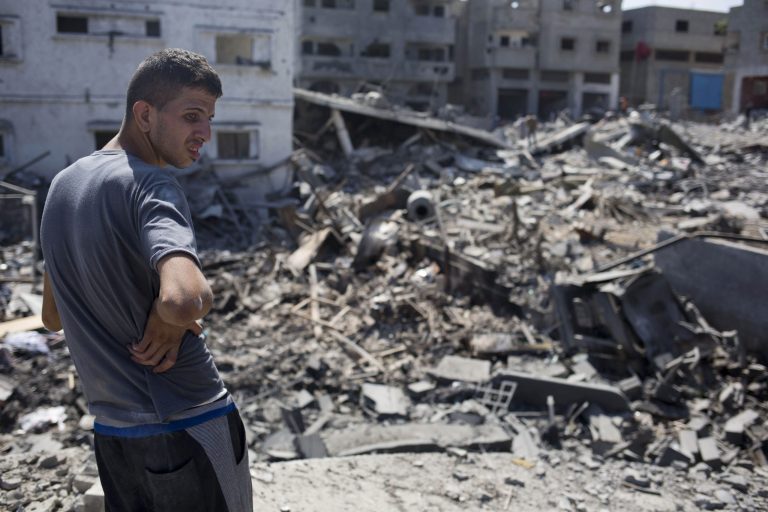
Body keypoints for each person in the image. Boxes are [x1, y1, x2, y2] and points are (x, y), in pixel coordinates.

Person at [40, 48, 252, 512]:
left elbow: (53, 316)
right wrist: (170, 317)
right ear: (145, 114)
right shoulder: (151, 184)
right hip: (189, 422)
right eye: (192, 116)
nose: (205, 134)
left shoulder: (62, 186)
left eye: (210, 119)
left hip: (114, 432)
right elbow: (186, 297)